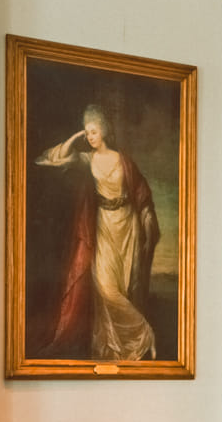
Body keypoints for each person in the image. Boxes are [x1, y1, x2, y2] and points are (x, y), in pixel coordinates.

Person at [34, 102, 158, 362]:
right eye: (87, 132)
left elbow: (141, 195)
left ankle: (123, 347)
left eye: (93, 131)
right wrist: (76, 136)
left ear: (104, 131)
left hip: (127, 226)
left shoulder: (123, 160)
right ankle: (143, 333)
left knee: (124, 287)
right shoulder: (87, 159)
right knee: (105, 287)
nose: (90, 136)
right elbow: (53, 158)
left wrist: (147, 225)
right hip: (103, 224)